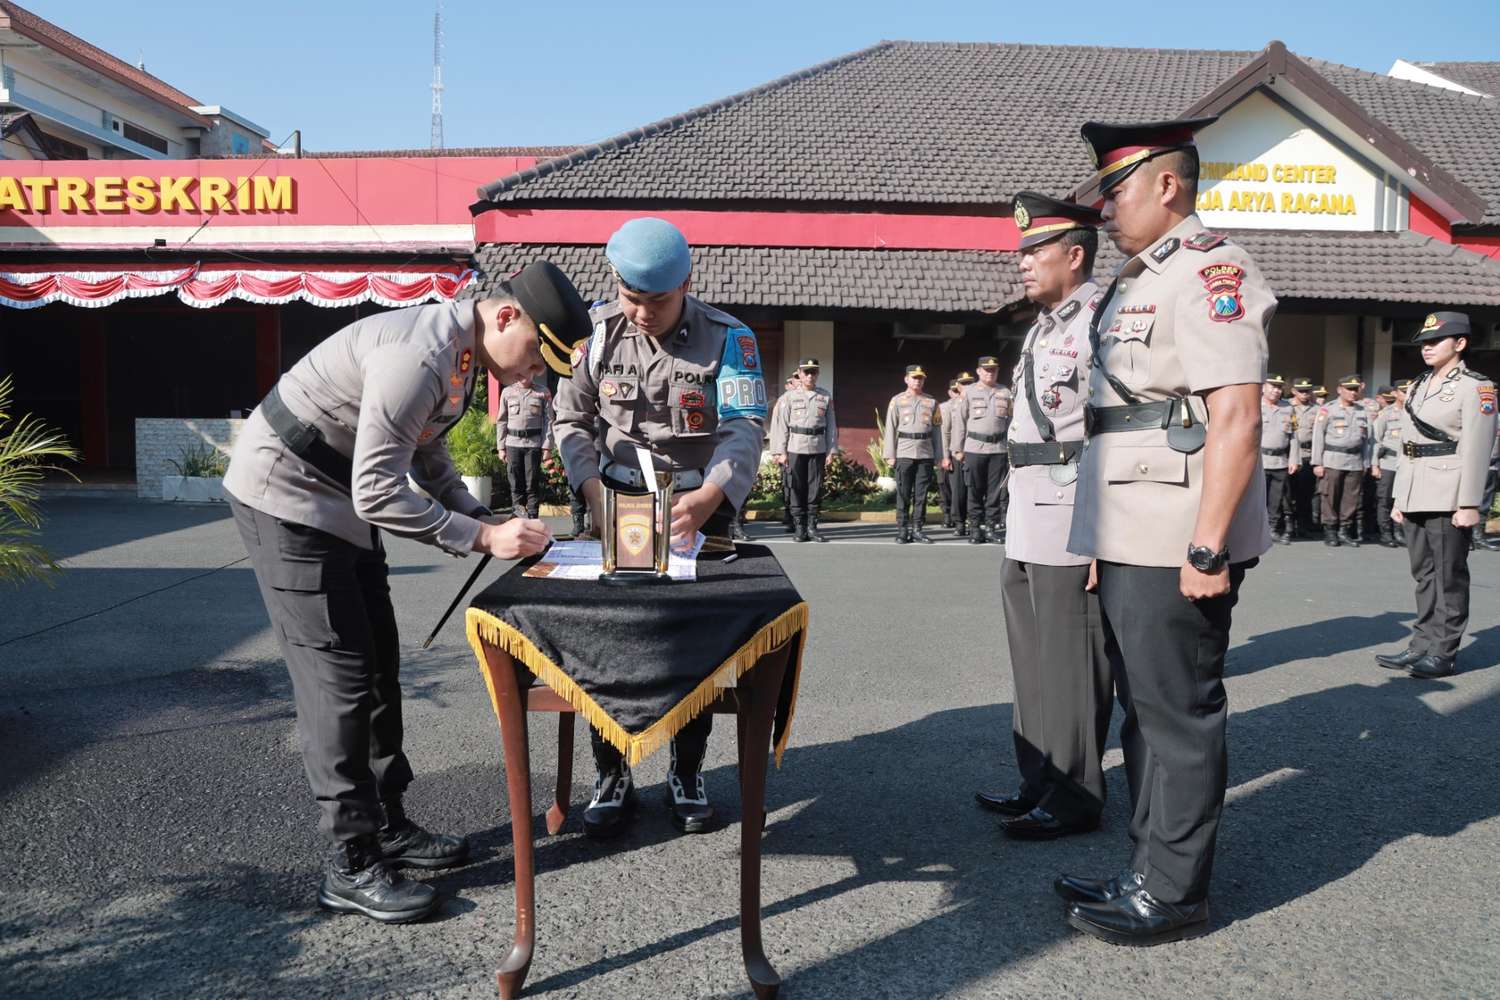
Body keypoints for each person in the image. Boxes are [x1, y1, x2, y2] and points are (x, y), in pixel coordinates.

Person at [222, 261, 592, 923]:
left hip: (337, 500)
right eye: (538, 354)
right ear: (506, 316)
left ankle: (388, 821)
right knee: (337, 679)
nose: (535, 372)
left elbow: (426, 451)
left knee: (379, 664)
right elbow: (378, 490)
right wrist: (480, 542)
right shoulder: (419, 356)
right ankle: (350, 860)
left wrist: (483, 518)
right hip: (286, 494)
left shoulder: (462, 353)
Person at [1059, 117, 1275, 946]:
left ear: (1167, 185)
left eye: (1115, 191)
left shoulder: (1213, 269)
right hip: (1131, 530)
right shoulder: (1139, 277)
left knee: (1177, 713)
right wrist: (1101, 545)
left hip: (1178, 532)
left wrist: (1208, 546)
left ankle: (1176, 893)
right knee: (1144, 713)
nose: (1105, 209)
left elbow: (1237, 417)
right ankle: (1147, 869)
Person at [553, 217, 767, 836]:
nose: (644, 313)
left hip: (697, 497)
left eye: (659, 301)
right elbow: (571, 422)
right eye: (632, 299)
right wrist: (590, 489)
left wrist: (712, 495)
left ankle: (687, 770)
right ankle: (611, 771)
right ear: (615, 284)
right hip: (611, 496)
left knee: (689, 641)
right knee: (606, 636)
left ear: (687, 283)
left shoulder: (732, 339)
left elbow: (743, 428)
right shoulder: (592, 335)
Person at [975, 191, 1115, 841]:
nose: (1024, 262)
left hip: (1072, 511)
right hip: (1030, 506)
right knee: (1032, 658)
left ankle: (1077, 791)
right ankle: (1039, 779)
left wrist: (1099, 534)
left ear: (1077, 255)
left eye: (1037, 250)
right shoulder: (1045, 326)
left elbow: (1109, 435)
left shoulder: (1101, 322)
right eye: (1022, 251)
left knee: (1071, 662)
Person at [1375, 312, 1497, 678]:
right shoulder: (1417, 385)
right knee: (1423, 573)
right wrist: (1399, 498)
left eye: (1435, 341)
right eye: (1424, 342)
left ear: (1460, 344)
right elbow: (1407, 446)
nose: (1426, 348)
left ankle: (1444, 652)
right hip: (1414, 489)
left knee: (1448, 575)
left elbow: (1478, 447)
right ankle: (1421, 643)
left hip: (1449, 492)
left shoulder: (1476, 388)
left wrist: (1470, 503)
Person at [769, 358, 837, 542]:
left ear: (817, 374)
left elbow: (831, 426)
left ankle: (812, 527)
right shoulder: (788, 398)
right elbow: (781, 426)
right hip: (795, 447)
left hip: (818, 447)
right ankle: (799, 528)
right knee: (796, 488)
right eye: (806, 372)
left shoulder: (825, 396)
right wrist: (780, 451)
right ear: (799, 373)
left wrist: (832, 450)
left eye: (813, 372)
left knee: (815, 489)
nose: (809, 375)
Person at [882, 365, 945, 544]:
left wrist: (939, 456)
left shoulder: (932, 402)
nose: (917, 380)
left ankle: (918, 529)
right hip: (904, 452)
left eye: (920, 378)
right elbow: (890, 428)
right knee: (903, 493)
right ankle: (903, 530)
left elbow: (937, 432)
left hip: (925, 452)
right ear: (906, 379)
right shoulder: (897, 401)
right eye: (914, 377)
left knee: (921, 494)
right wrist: (889, 454)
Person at [955, 357, 1013, 543]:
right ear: (979, 371)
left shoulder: (1005, 392)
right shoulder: (969, 392)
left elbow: (1012, 421)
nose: (990, 372)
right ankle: (975, 528)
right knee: (975, 490)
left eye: (993, 369)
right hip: (974, 448)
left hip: (998, 448)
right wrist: (957, 448)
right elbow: (960, 421)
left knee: (995, 492)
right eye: (986, 369)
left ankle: (990, 527)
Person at [1312, 375, 1372, 547]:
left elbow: (1368, 441)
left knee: (1351, 498)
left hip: (1355, 460)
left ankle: (1344, 530)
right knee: (1330, 496)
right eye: (1349, 389)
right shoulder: (1328, 410)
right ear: (1340, 390)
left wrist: (1366, 463)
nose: (1353, 393)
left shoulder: (1362, 411)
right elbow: (1318, 437)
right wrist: (1317, 462)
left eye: (1356, 389)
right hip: (1332, 459)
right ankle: (1330, 531)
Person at [495, 375, 554, 518]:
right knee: (515, 483)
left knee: (532, 483)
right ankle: (518, 516)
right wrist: (501, 447)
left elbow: (549, 420)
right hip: (512, 443)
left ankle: (533, 518)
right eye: (520, 373)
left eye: (526, 372)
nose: (523, 376)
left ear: (532, 373)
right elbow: (501, 420)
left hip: (533, 444)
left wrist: (547, 447)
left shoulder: (542, 392)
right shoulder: (507, 392)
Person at [1259, 374, 1297, 545]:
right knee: (1258, 497)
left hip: (1280, 461)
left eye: (1279, 387)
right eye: (1273, 386)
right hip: (1259, 460)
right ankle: (1256, 530)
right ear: (1263, 387)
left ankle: (1272, 529)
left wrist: (1293, 459)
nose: (1276, 390)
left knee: (1276, 499)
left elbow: (1293, 436)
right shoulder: (1255, 405)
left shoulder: (1288, 408)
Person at [1371, 383, 1406, 547]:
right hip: (1388, 462)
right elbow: (1376, 440)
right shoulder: (1386, 413)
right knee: (1384, 499)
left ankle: (1399, 532)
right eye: (1403, 391)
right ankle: (1385, 534)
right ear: (1395, 393)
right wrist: (1375, 465)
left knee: (1401, 499)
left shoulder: (1415, 412)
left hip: (1406, 463)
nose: (1407, 394)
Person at [944, 372, 976, 535]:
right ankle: (959, 522)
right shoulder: (950, 406)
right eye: (964, 383)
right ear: (958, 386)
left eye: (970, 383)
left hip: (976, 450)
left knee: (974, 488)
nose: (967, 386)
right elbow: (946, 433)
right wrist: (946, 456)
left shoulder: (978, 402)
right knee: (958, 490)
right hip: (957, 452)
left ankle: (974, 521)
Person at [1288, 377, 1319, 537]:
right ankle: (1287, 526)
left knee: (1306, 494)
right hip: (1290, 456)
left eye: (1307, 391)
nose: (1305, 394)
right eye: (1301, 391)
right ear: (1294, 391)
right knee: (1287, 494)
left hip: (1307, 455)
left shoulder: (1317, 409)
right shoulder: (1287, 407)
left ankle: (1303, 526)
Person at [937, 378, 962, 528]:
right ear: (949, 392)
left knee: (960, 486)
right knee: (944, 484)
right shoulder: (943, 408)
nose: (956, 394)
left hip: (960, 451)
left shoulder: (966, 405)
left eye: (959, 391)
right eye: (954, 391)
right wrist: (943, 456)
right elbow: (940, 433)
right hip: (944, 450)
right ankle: (947, 514)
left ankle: (958, 514)